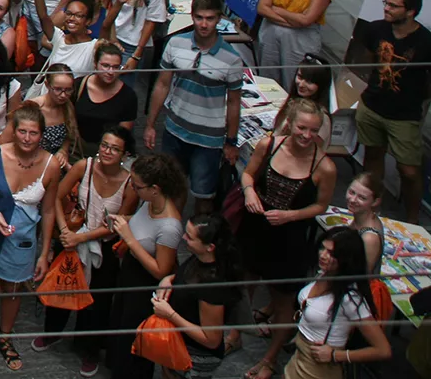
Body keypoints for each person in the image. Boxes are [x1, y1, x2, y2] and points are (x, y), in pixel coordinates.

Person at [239, 96, 338, 379]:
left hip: (290, 238)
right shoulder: (269, 144)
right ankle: (233, 332)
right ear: (290, 124)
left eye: (313, 130)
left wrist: (290, 216)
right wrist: (249, 192)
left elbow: (321, 206)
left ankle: (270, 358)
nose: (307, 135)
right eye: (302, 128)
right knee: (243, 282)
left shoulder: (325, 167)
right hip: (256, 226)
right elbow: (247, 174)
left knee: (283, 300)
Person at [0, 103, 64, 373]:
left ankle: (5, 337)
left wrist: (44, 253)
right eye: (22, 132)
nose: (27, 138)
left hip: (23, 236)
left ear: (42, 134)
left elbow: (50, 208)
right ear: (13, 131)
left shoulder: (51, 165)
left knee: (14, 288)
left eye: (33, 133)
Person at [34, 126, 136, 370]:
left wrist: (83, 238)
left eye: (114, 148)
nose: (107, 151)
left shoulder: (130, 184)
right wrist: (66, 231)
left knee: (98, 302)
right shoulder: (84, 166)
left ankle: (90, 348)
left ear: (125, 154)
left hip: (104, 247)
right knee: (62, 287)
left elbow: (119, 223)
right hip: (72, 238)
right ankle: (53, 332)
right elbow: (56, 197)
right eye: (104, 145)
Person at [146, 0, 243, 214]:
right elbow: (162, 85)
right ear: (192, 16)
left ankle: (197, 242)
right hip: (175, 130)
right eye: (199, 17)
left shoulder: (232, 59)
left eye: (210, 18)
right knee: (169, 188)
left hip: (208, 140)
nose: (204, 24)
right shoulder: (175, 43)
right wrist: (151, 124)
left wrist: (231, 141)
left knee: (203, 195)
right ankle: (167, 235)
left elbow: (234, 103)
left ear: (219, 19)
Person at [103, 153, 187, 379]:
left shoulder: (170, 226)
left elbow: (162, 270)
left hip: (144, 287)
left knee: (133, 341)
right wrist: (122, 220)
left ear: (155, 189)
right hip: (129, 274)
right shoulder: (149, 203)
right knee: (119, 327)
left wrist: (128, 238)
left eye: (137, 186)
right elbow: (142, 225)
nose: (133, 188)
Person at [350, 0, 431, 217]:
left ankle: (413, 218)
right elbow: (364, 60)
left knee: (409, 171)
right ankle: (370, 206)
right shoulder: (375, 30)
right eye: (386, 3)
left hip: (404, 115)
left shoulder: (425, 41)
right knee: (373, 156)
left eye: (393, 6)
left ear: (411, 12)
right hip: (372, 106)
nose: (386, 8)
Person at [272, 227, 392, 379]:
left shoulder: (350, 298)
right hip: (298, 360)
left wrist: (336, 355)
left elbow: (383, 350)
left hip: (318, 370)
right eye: (323, 248)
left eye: (332, 253)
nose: (323, 255)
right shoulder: (324, 273)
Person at [148, 214, 243, 379]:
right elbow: (186, 276)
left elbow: (211, 339)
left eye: (190, 237)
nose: (184, 238)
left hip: (196, 356)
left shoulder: (212, 287)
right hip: (178, 342)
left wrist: (169, 314)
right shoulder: (199, 257)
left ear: (210, 247)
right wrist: (169, 279)